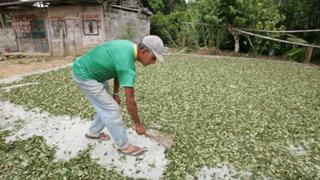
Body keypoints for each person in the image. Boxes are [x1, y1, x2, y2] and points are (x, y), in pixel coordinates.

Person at [72, 35, 164, 156]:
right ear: (144, 51)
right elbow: (130, 101)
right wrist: (138, 124)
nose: (153, 62)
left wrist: (115, 93)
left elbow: (118, 72)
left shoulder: (128, 47)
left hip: (94, 74)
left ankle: (93, 133)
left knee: (108, 105)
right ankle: (124, 146)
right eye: (153, 58)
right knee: (112, 109)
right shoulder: (127, 63)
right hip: (84, 75)